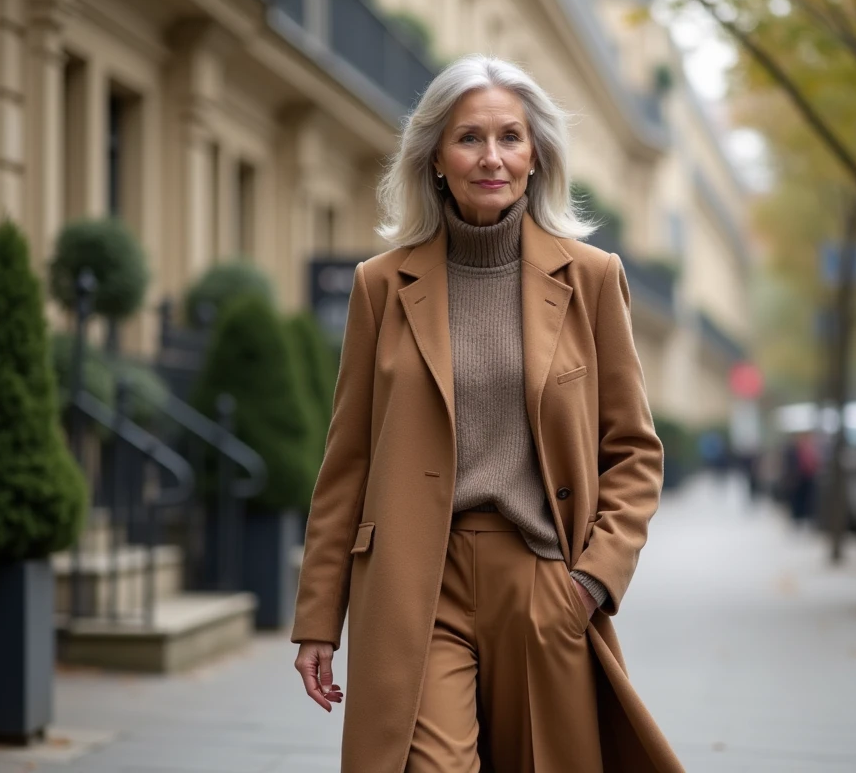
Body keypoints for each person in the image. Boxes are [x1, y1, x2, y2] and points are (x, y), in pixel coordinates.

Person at [290, 55, 685, 773]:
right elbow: (347, 461)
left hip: (542, 581)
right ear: (436, 158)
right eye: (470, 138)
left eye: (511, 137)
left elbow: (633, 451)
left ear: (537, 156)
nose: (492, 157)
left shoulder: (592, 279)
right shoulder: (380, 286)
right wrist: (319, 618)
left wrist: (592, 581)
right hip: (416, 581)